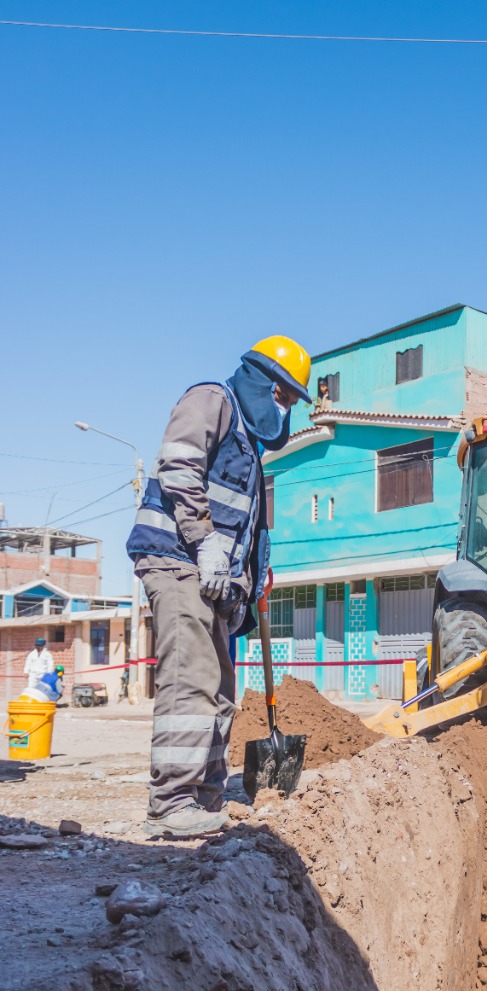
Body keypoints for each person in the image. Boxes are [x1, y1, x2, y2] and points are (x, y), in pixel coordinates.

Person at [127, 336, 312, 838]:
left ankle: (204, 796)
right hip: (176, 559)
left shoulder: (250, 448)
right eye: (286, 396)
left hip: (213, 580)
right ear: (265, 383)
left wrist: (246, 583)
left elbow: (245, 526)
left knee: (220, 691)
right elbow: (178, 466)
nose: (287, 408)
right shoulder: (212, 400)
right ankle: (170, 803)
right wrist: (203, 539)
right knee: (190, 677)